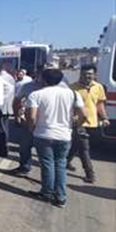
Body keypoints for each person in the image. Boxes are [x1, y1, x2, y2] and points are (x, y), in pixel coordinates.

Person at [26, 69, 86, 208]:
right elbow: (84, 114)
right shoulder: (73, 93)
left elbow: (32, 117)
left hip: (43, 134)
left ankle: (47, 192)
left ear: (44, 79)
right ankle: (61, 197)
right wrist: (76, 124)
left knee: (47, 164)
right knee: (60, 164)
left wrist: (31, 128)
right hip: (64, 135)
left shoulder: (36, 94)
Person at [67, 64, 109, 184]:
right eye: (84, 74)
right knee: (84, 148)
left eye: (90, 74)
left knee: (76, 145)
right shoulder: (73, 88)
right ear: (80, 74)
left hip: (92, 122)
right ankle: (90, 174)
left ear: (94, 75)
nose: (87, 76)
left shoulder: (98, 87)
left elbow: (99, 104)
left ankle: (65, 162)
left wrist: (104, 117)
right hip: (78, 122)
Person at [9, 67, 44, 176]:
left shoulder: (57, 87)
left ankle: (48, 178)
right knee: (25, 147)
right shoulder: (28, 86)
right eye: (41, 74)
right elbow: (16, 101)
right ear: (37, 74)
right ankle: (24, 167)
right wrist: (16, 116)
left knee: (44, 153)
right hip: (28, 122)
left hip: (46, 124)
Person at [0, 63, 15, 143]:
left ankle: (2, 143)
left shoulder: (0, 77)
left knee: (0, 126)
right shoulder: (10, 76)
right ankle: (5, 142)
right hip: (8, 105)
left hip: (1, 105)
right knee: (5, 125)